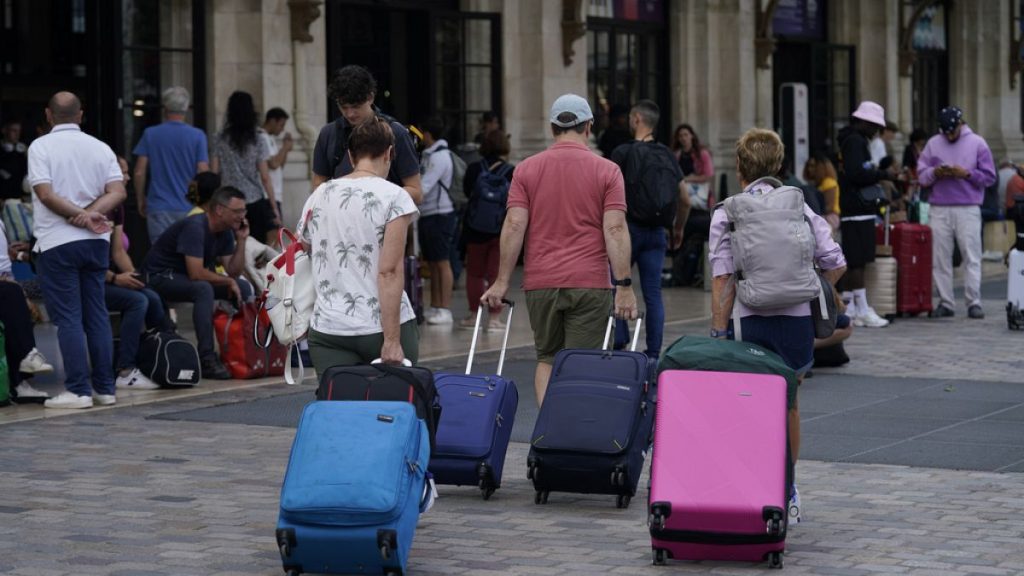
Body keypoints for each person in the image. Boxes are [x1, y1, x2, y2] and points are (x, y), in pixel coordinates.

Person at [709, 127, 846, 524]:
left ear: (739, 167)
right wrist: (811, 290)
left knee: (746, 402)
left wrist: (719, 333)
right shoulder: (800, 207)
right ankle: (787, 488)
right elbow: (835, 262)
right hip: (795, 323)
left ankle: (750, 482)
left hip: (748, 323)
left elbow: (722, 279)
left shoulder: (727, 211)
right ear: (780, 166)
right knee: (788, 403)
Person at [481, 94, 638, 407]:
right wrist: (624, 286)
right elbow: (615, 229)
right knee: (582, 362)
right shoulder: (607, 171)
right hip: (589, 282)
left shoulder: (525, 170)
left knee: (548, 358)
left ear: (553, 128)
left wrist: (501, 281)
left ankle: (547, 432)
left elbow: (514, 225)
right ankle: (573, 433)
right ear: (589, 127)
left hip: (541, 282)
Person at [28, 91, 127, 409]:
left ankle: (78, 390)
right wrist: (92, 215)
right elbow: (118, 190)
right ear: (80, 115)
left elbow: (45, 194)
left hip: (57, 241)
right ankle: (105, 388)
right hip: (96, 241)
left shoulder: (40, 146)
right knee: (96, 314)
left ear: (48, 114)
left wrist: (79, 216)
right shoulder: (100, 148)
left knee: (68, 318)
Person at [297, 117, 419, 367]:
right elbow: (390, 271)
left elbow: (304, 249)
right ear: (389, 153)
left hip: (329, 326)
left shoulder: (319, 194)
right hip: (378, 324)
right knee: (393, 404)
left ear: (351, 157)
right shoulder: (395, 196)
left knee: (336, 405)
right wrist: (392, 340)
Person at [142, 186, 253, 380]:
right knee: (203, 289)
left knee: (242, 287)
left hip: (185, 278)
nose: (241, 216)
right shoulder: (196, 227)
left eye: (244, 211)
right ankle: (207, 358)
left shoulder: (226, 231)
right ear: (219, 209)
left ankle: (241, 353)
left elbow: (233, 271)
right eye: (237, 211)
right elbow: (196, 273)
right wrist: (227, 280)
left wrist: (242, 240)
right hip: (159, 277)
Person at [609, 99, 690, 358]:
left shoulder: (622, 152)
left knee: (617, 284)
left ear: (636, 119)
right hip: (657, 232)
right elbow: (685, 198)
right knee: (653, 293)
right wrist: (678, 228)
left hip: (628, 230)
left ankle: (620, 340)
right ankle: (654, 351)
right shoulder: (667, 154)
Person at [917, 106, 996, 319]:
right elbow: (921, 175)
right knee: (940, 257)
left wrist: (967, 174)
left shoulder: (978, 143)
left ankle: (974, 301)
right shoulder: (934, 143)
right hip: (940, 207)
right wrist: (935, 172)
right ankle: (946, 301)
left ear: (961, 124)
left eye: (952, 131)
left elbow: (989, 177)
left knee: (971, 254)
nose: (950, 135)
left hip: (968, 206)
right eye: (946, 132)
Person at [105, 157, 174, 390]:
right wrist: (116, 278)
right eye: (122, 172)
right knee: (137, 301)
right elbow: (87, 263)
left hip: (110, 276)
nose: (126, 177)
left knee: (151, 295)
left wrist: (135, 277)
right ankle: (125, 369)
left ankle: (166, 352)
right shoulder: (95, 206)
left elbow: (118, 252)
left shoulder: (117, 207)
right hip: (94, 279)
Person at [310, 65, 422, 204]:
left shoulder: (396, 133)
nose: (350, 114)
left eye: (356, 106)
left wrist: (371, 200)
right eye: (343, 107)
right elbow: (317, 187)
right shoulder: (328, 134)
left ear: (370, 97)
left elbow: (416, 192)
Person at [836, 101, 896, 328]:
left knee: (856, 261)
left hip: (855, 208)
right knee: (858, 261)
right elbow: (856, 173)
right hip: (857, 208)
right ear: (864, 122)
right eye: (874, 126)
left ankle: (851, 307)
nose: (876, 131)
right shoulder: (855, 142)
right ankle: (862, 308)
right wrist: (882, 173)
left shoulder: (852, 140)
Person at [133, 86, 210, 243]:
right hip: (189, 207)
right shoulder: (198, 136)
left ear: (165, 108)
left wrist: (140, 198)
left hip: (159, 205)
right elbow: (203, 170)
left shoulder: (150, 133)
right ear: (187, 108)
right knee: (188, 256)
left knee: (161, 255)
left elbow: (139, 172)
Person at [459, 129, 514, 331]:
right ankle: (494, 319)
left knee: (474, 273)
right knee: (496, 274)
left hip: (475, 229)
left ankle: (474, 316)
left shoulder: (474, 168)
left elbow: (467, 192)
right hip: (500, 230)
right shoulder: (510, 170)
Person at [211, 91, 280, 247]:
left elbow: (214, 173)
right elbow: (265, 177)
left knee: (229, 248)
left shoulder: (219, 138)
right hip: (254, 200)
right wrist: (274, 207)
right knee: (256, 248)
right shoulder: (258, 139)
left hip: (227, 201)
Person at [416, 116, 456, 325]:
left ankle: (445, 308)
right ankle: (435, 305)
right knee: (431, 262)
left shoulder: (439, 157)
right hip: (428, 214)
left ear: (428, 134)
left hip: (441, 214)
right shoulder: (429, 155)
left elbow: (424, 186)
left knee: (442, 261)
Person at [261, 107, 293, 218]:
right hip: (267, 195)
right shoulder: (262, 137)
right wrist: (284, 148)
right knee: (274, 233)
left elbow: (279, 166)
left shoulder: (270, 138)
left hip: (275, 194)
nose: (282, 129)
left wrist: (286, 149)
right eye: (281, 125)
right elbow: (273, 164)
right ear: (272, 121)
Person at [803, 152, 840, 231]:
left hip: (830, 217)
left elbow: (829, 207)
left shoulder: (829, 182)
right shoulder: (816, 183)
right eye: (808, 165)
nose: (809, 169)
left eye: (813, 166)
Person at [0, 119, 28, 200]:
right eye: (14, 131)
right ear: (4, 130)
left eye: (19, 131)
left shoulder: (23, 150)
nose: (17, 134)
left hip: (19, 197)